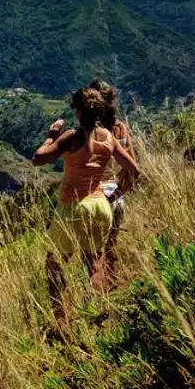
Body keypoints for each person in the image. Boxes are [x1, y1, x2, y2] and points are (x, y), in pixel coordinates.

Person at [32, 84, 141, 333]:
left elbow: (38, 159)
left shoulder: (72, 136)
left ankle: (63, 325)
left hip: (73, 206)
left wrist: (51, 135)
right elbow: (134, 170)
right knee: (93, 263)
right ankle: (97, 318)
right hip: (100, 204)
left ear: (79, 111)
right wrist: (115, 197)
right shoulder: (109, 136)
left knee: (55, 265)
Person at [88, 79, 135, 286]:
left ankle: (99, 298)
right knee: (111, 245)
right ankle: (114, 286)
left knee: (93, 252)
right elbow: (133, 169)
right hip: (117, 197)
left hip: (97, 196)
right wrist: (117, 194)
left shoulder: (92, 132)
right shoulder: (121, 129)